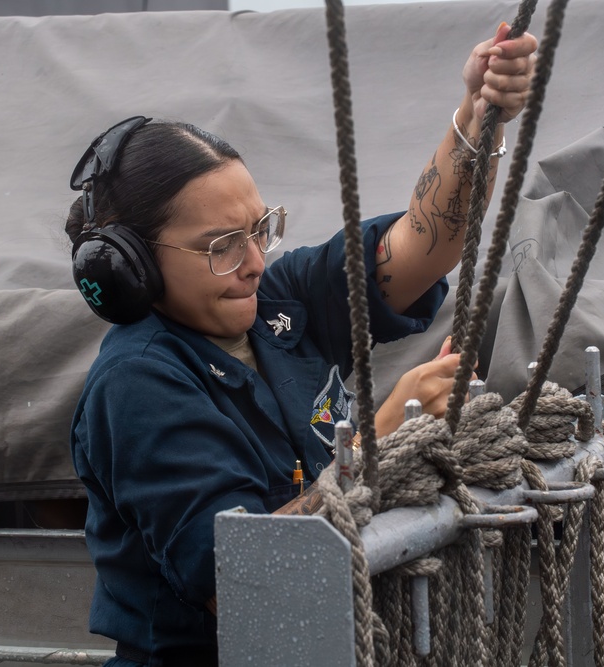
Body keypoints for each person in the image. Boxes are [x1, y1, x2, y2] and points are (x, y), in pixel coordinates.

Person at [66, 22, 537, 667]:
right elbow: (244, 580)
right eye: (221, 245)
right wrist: (384, 440)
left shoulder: (275, 305)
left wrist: (478, 117)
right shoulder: (137, 384)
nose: (255, 261)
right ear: (131, 267)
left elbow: (424, 245)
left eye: (260, 229)